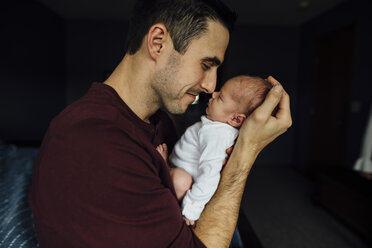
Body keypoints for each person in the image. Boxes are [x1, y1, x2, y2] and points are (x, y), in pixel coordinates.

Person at [29, 0, 292, 247]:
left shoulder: (160, 121)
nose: (211, 85)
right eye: (206, 64)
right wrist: (245, 153)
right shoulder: (92, 139)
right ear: (158, 43)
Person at [156, 75, 272, 226]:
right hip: (186, 169)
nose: (214, 93)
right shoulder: (219, 129)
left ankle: (166, 170)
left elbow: (209, 174)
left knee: (179, 179)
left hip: (188, 183)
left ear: (236, 119)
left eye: (221, 97)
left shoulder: (216, 135)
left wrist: (192, 208)